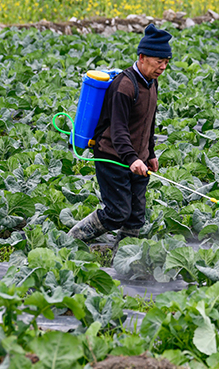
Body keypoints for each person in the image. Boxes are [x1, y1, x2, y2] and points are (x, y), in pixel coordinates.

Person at [68, 23, 172, 245]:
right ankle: (71, 239)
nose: (163, 67)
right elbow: (118, 130)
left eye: (166, 62)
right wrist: (132, 158)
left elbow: (148, 123)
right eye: (158, 62)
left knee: (136, 216)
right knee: (118, 212)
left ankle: (123, 260)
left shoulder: (152, 83)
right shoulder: (124, 86)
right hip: (113, 157)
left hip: (137, 159)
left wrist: (150, 154)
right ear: (142, 57)